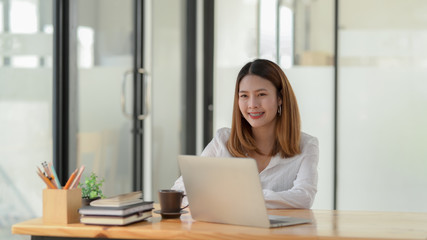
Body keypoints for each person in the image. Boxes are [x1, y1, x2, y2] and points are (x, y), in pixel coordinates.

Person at [172, 59, 319, 209]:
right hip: (228, 230)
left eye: (261, 94)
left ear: (280, 98)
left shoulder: (307, 145)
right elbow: (180, 189)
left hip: (279, 231)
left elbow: (304, 197)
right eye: (244, 96)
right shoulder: (223, 140)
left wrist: (235, 197)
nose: (252, 104)